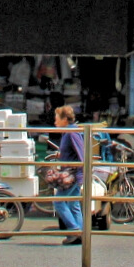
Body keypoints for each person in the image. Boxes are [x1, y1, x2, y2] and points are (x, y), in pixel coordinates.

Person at [49, 105, 86, 245]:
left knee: (58, 201)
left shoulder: (71, 133)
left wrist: (80, 174)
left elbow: (81, 155)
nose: (55, 122)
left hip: (72, 175)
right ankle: (80, 234)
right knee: (73, 203)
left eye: (57, 119)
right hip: (74, 174)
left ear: (65, 119)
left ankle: (74, 230)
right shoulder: (68, 132)